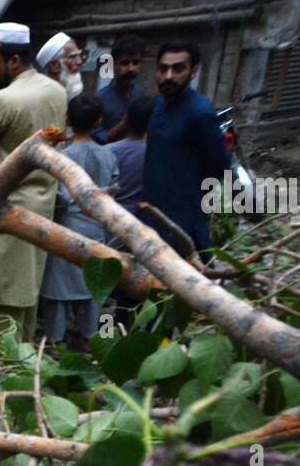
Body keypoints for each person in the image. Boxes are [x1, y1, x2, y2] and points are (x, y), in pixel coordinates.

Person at [0, 22, 66, 338]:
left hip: (7, 213)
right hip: (43, 210)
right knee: (27, 301)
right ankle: (24, 374)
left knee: (1, 304)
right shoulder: (58, 92)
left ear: (15, 61)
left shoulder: (5, 100)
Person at [39, 95, 118, 352]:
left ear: (68, 120)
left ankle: (53, 356)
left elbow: (58, 198)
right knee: (92, 296)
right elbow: (112, 195)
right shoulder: (108, 156)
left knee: (57, 305)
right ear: (99, 121)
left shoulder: (62, 156)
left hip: (64, 236)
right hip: (96, 234)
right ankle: (89, 355)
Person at [144, 41, 230, 256]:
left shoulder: (200, 112)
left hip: (184, 217)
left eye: (178, 68)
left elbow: (218, 166)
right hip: (154, 210)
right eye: (163, 68)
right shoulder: (158, 105)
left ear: (193, 72)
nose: (169, 76)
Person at [106, 95, 155, 239]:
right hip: (140, 222)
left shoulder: (109, 151)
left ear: (126, 119)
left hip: (110, 218)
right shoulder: (156, 154)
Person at [94, 34, 145, 145]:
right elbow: (96, 141)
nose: (131, 69)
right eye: (125, 63)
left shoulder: (140, 95)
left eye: (136, 62)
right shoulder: (99, 99)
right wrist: (124, 123)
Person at [36, 32, 85, 100]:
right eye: (72, 57)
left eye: (78, 55)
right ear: (54, 65)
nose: (79, 61)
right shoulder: (42, 99)